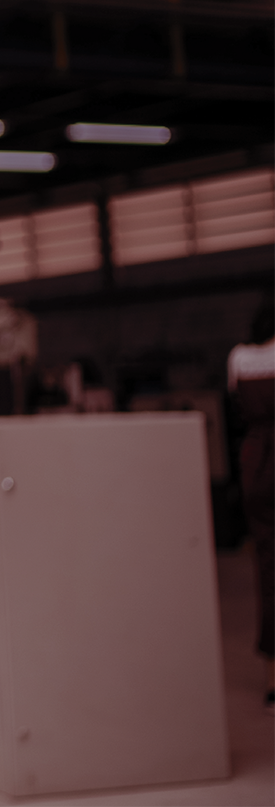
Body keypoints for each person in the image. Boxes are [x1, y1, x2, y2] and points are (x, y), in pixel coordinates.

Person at [227, 296, 275, 713]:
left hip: (256, 461)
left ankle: (273, 680)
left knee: (268, 567)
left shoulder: (240, 358)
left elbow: (235, 410)